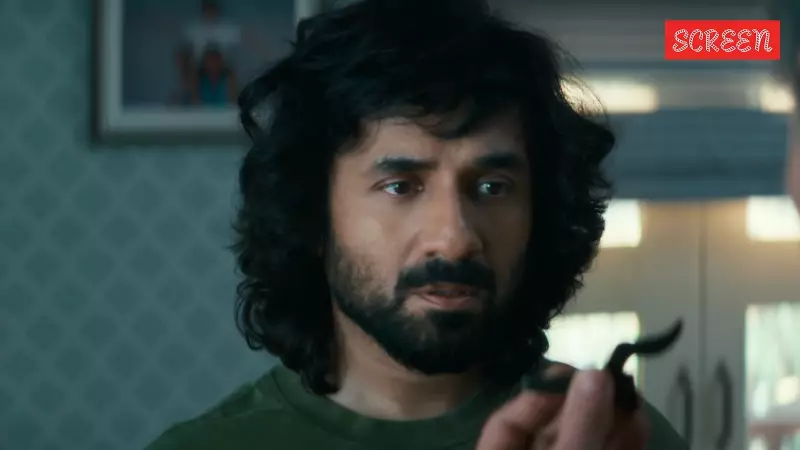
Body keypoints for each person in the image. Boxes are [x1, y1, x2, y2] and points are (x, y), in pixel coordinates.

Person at [146, 0, 688, 449]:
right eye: (400, 187)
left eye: (492, 188)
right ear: (312, 217)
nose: (455, 238)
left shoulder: (613, 439)